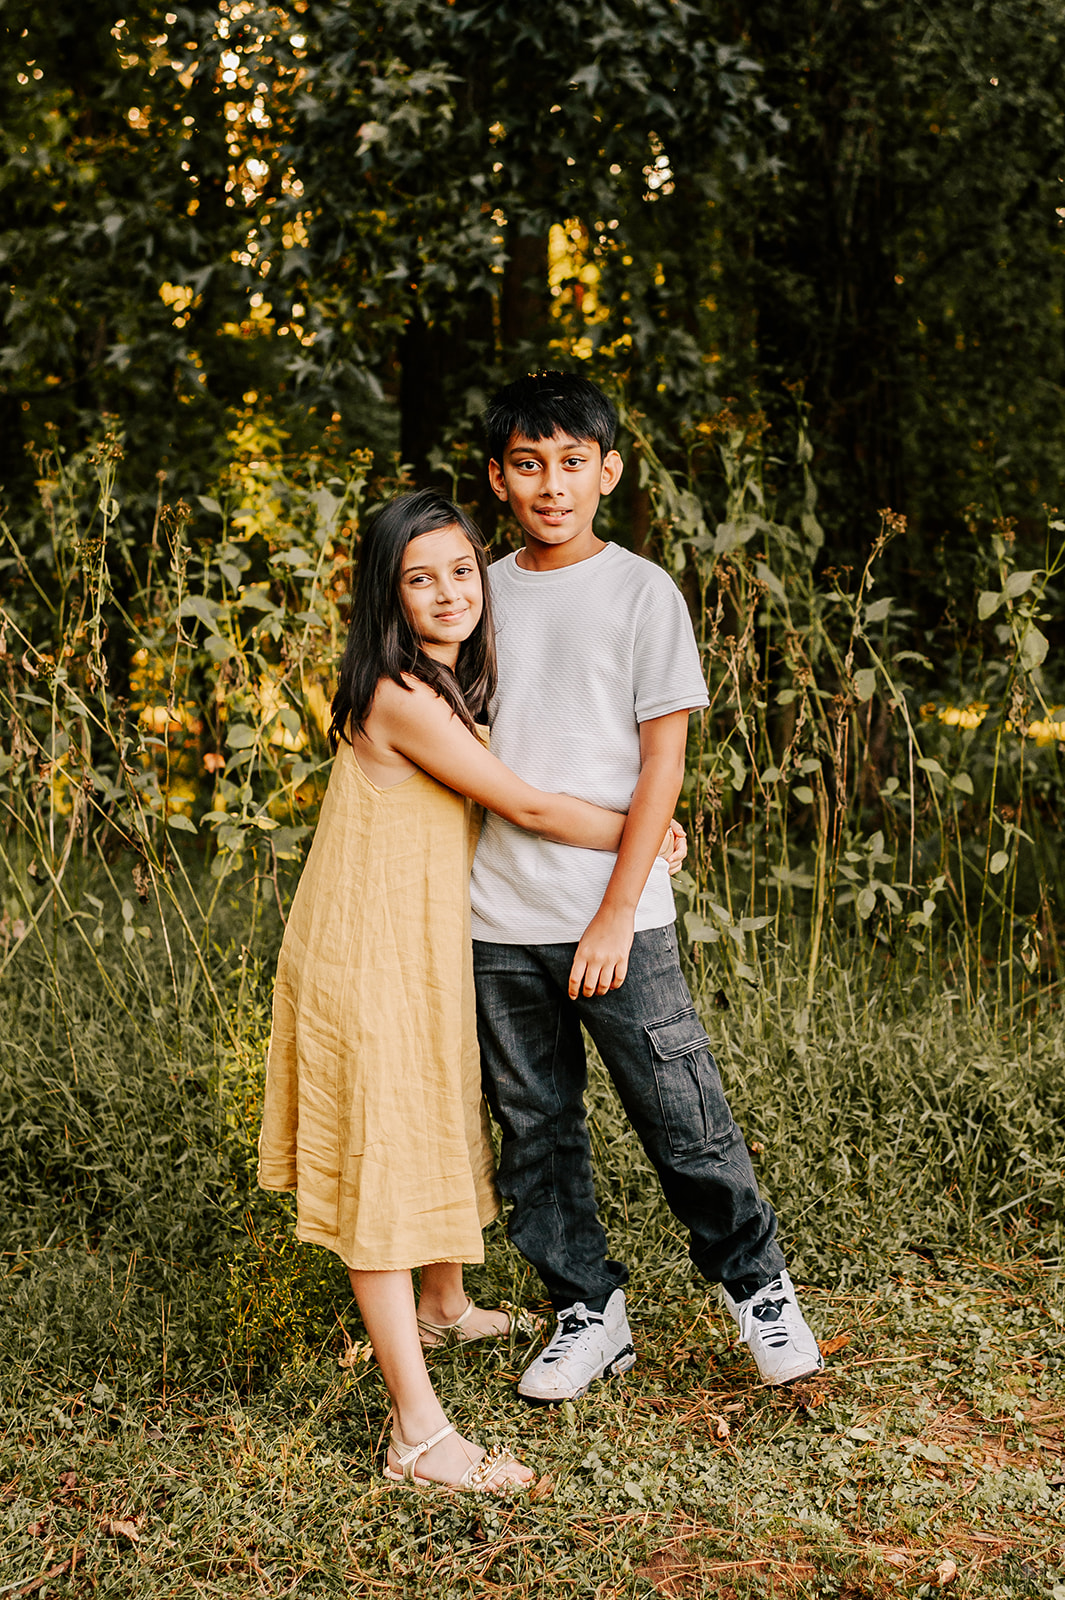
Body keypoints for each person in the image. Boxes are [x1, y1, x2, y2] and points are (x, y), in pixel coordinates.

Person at [257, 488, 680, 1491]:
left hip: (412, 940)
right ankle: (418, 1437)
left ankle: (442, 1305)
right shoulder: (400, 692)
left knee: (437, 1112)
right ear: (388, 594)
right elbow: (525, 806)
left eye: (460, 570)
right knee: (382, 1163)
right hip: (364, 951)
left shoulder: (443, 679)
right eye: (421, 579)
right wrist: (640, 828)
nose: (451, 592)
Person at [470, 371, 824, 1404]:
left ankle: (757, 1288)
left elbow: (663, 760)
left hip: (620, 912)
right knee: (536, 1131)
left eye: (572, 462)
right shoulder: (477, 592)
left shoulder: (641, 592)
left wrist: (617, 910)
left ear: (609, 471)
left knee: (682, 1115)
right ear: (497, 478)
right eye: (528, 465)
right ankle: (588, 1311)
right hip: (499, 916)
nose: (551, 485)